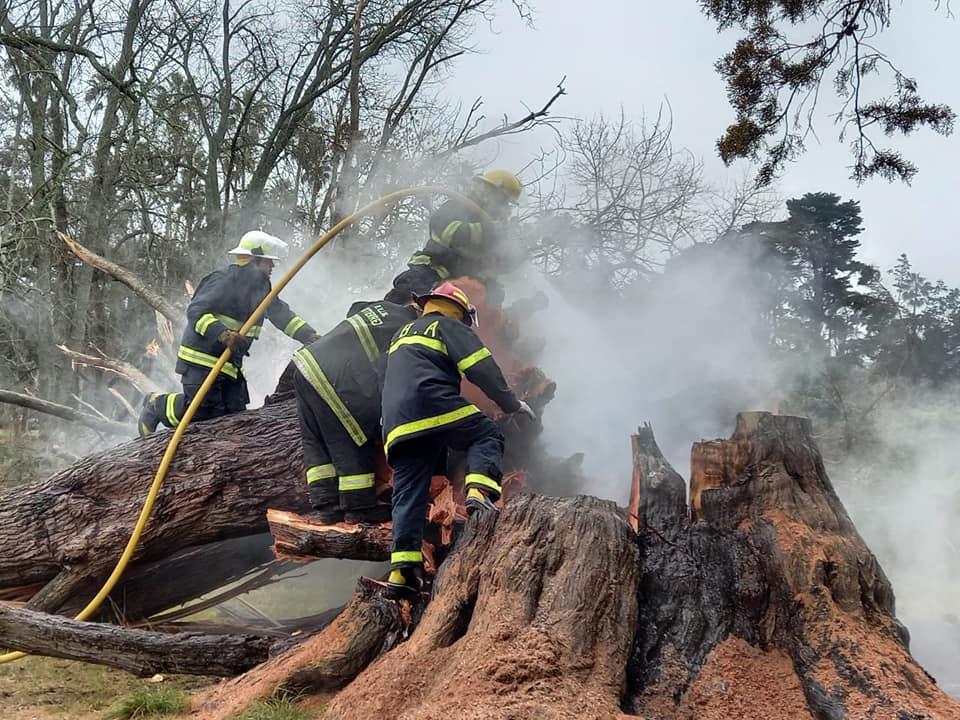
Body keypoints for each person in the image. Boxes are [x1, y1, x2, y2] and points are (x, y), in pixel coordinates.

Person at [380, 281, 536, 596]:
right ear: (459, 311)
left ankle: (403, 574)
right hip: (431, 404)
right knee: (486, 433)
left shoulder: (401, 335)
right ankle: (479, 492)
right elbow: (482, 369)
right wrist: (512, 404)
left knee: (408, 496)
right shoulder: (447, 326)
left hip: (397, 424)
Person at [138, 230, 318, 436]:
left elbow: (281, 315)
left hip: (230, 364)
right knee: (202, 410)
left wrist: (309, 336)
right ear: (255, 260)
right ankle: (156, 405)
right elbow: (196, 312)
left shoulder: (261, 288)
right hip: (201, 360)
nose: (273, 266)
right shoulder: (223, 280)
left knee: (234, 415)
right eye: (269, 261)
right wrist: (223, 333)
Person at [292, 289, 420, 524]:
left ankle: (327, 505)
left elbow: (355, 308)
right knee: (352, 434)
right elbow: (388, 371)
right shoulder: (408, 325)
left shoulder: (380, 308)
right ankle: (358, 507)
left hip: (304, 364)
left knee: (316, 439)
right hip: (333, 373)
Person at [391, 170, 523, 303]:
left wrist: (517, 251)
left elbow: (501, 264)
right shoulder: (457, 207)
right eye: (502, 200)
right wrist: (485, 231)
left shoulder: (497, 231)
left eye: (507, 203)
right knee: (407, 296)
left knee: (493, 298)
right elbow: (446, 232)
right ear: (486, 191)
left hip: (463, 286)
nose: (504, 207)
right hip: (434, 270)